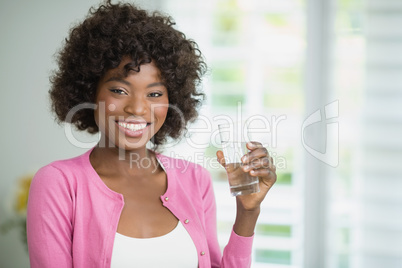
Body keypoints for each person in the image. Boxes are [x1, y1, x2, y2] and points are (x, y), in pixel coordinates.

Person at [26, 1, 277, 267]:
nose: (137, 108)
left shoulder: (195, 179)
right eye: (119, 90)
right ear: (90, 92)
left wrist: (247, 213)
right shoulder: (59, 183)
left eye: (154, 94)